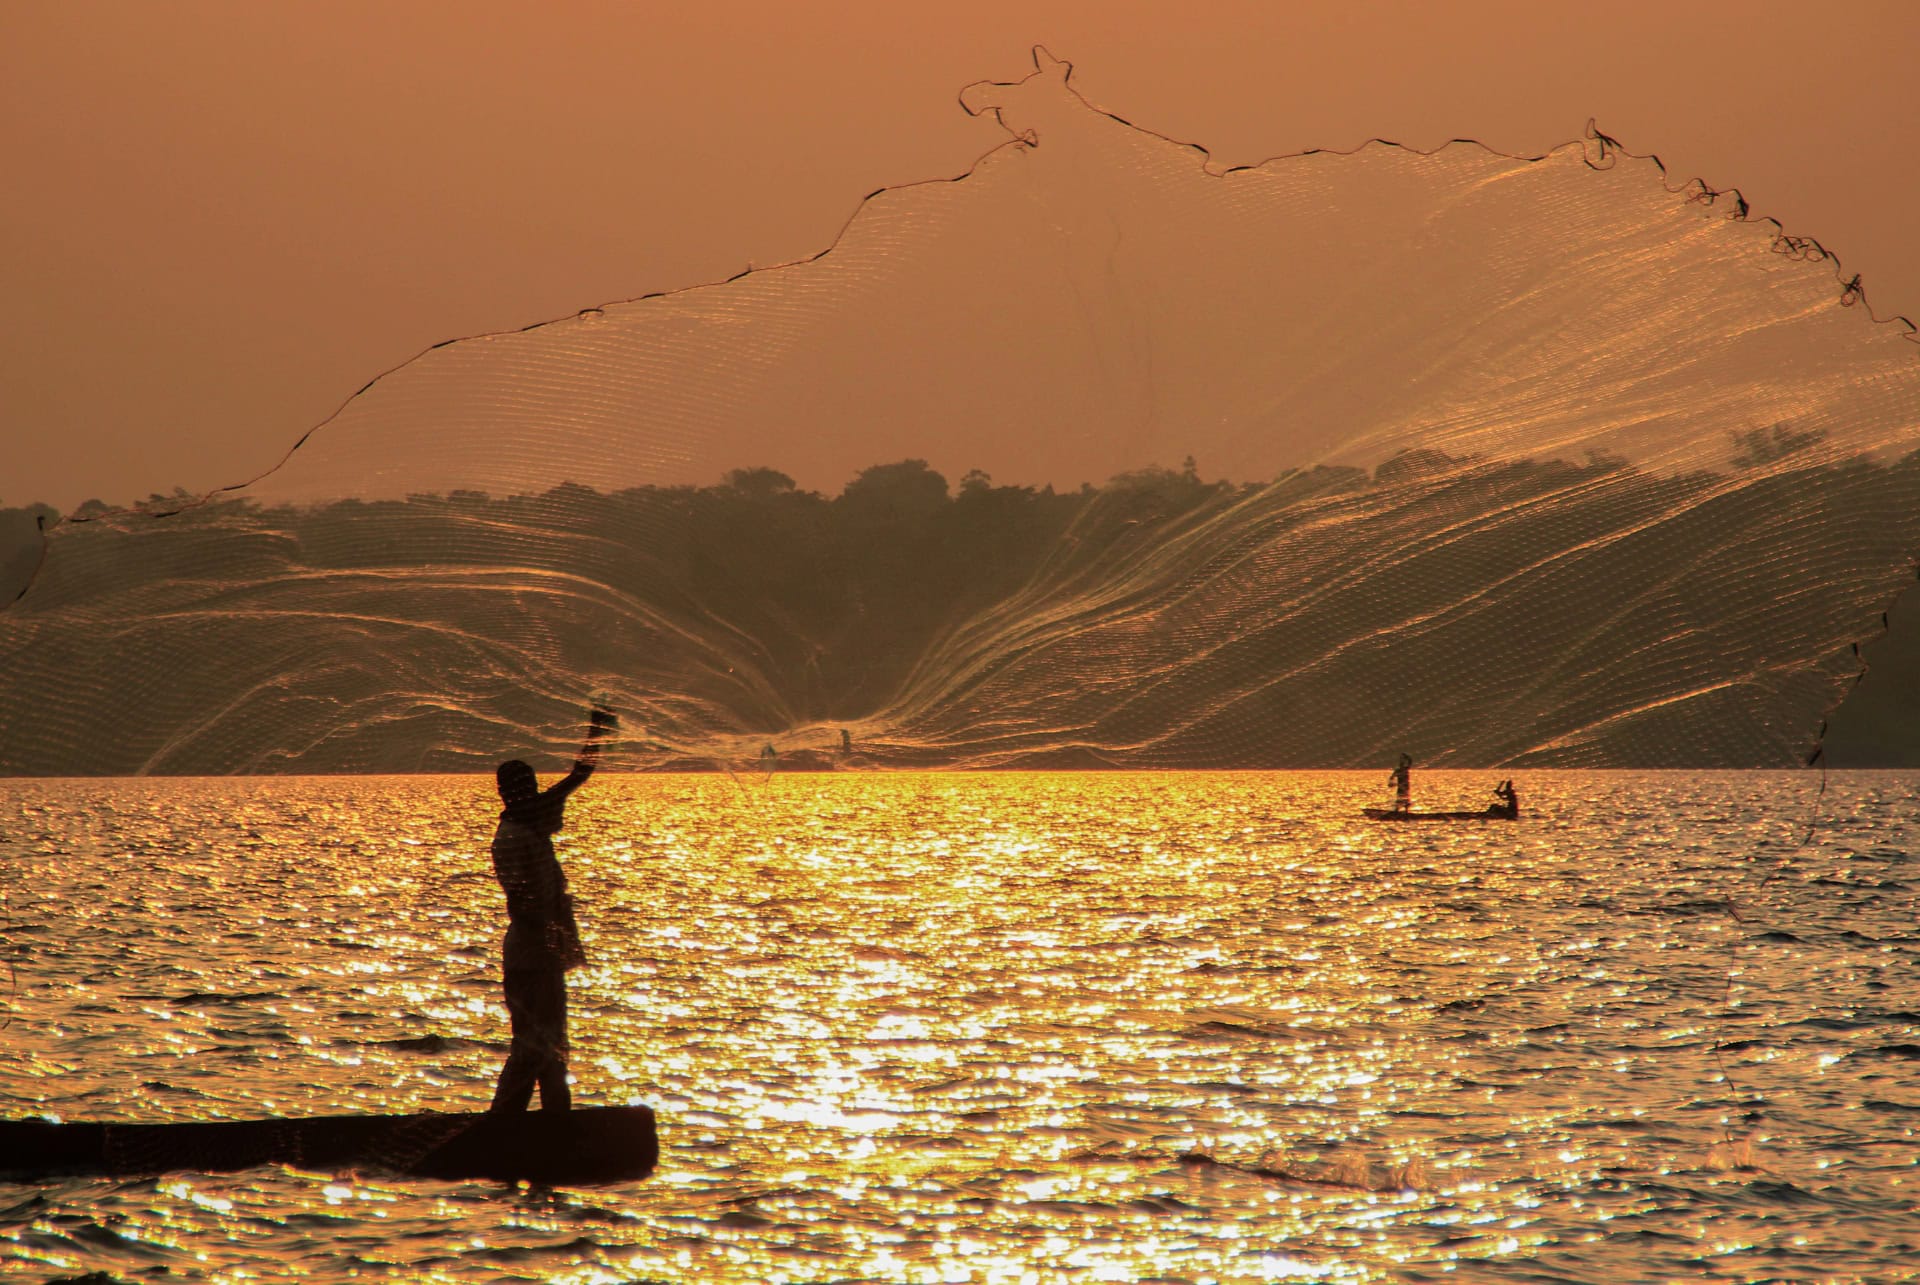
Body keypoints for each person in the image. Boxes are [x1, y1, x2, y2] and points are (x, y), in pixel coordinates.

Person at [488, 705, 616, 1112]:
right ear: (509, 795)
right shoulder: (511, 836)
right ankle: (504, 1126)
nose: (535, 796)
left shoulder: (530, 822)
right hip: (532, 955)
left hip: (543, 952)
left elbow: (577, 777)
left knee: (552, 1046)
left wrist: (596, 731)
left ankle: (554, 1122)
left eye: (533, 788)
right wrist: (551, 932)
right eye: (524, 789)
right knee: (533, 1046)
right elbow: (521, 904)